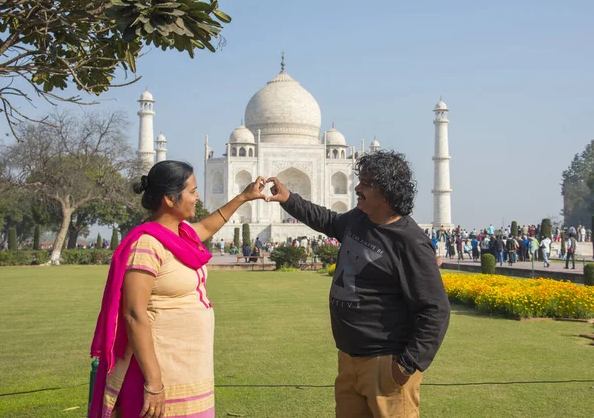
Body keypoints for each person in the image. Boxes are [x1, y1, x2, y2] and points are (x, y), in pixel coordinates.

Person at [266, 150, 450, 418]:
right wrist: (288, 199)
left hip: (386, 364)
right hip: (349, 358)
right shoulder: (359, 220)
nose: (357, 188)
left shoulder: (409, 242)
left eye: (366, 183)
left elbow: (436, 309)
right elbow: (327, 220)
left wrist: (406, 365)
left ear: (386, 192)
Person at [89, 161, 267, 418]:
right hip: (161, 370)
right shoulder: (147, 245)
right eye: (192, 191)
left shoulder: (181, 235)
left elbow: (207, 227)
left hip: (189, 369)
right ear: (170, 199)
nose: (197, 198)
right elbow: (134, 314)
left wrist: (243, 197)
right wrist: (153, 383)